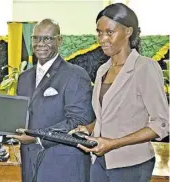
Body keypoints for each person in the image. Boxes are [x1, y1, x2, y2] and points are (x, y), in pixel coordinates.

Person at [72, 3, 169, 182]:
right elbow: (107, 115)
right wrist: (89, 128)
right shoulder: (102, 70)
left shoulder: (145, 67)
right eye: (99, 32)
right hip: (100, 162)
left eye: (110, 32)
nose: (102, 39)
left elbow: (161, 123)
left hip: (131, 165)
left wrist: (113, 143)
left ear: (128, 32)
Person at [9, 19, 95, 182]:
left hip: (63, 166)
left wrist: (37, 137)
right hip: (30, 164)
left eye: (47, 38)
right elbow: (21, 115)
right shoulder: (24, 78)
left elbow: (79, 120)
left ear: (59, 40)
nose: (40, 43)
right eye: (36, 38)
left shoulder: (75, 75)